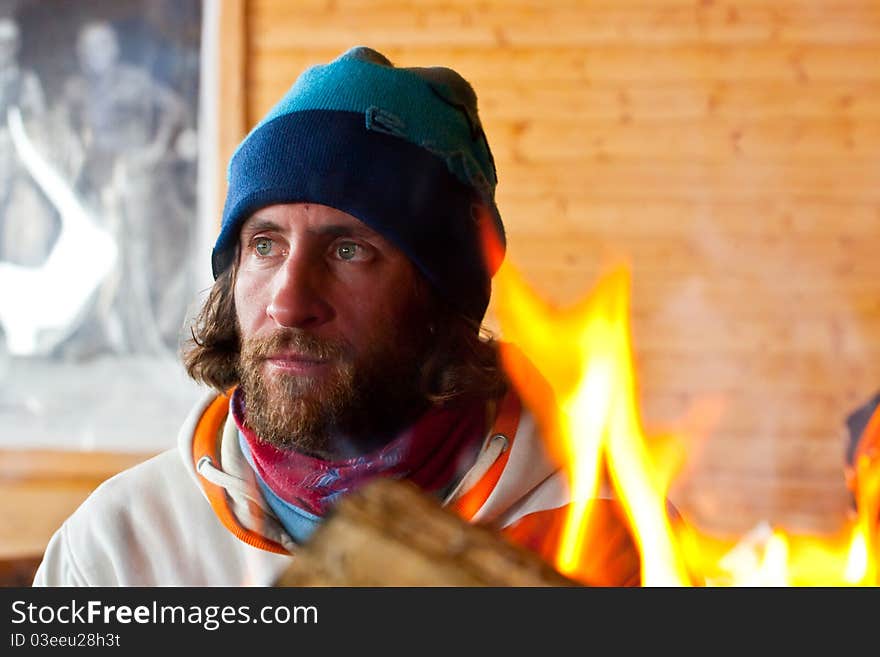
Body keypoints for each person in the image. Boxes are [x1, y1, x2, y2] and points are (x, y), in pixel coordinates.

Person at [32, 46, 640, 586]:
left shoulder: (595, 534)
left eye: (349, 251)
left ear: (442, 296)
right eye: (266, 245)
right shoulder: (122, 549)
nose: (289, 303)